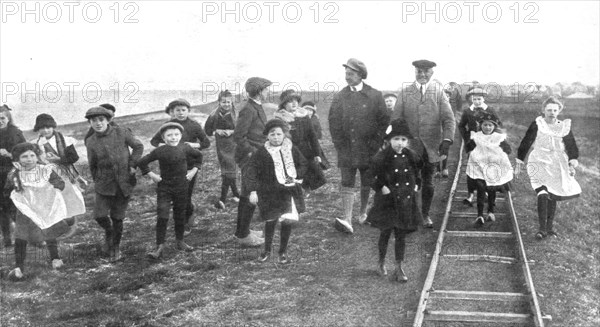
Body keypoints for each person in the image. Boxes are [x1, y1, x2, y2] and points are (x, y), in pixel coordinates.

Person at [392, 59, 456, 228]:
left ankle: (425, 214)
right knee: (408, 181)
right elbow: (396, 119)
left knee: (428, 182)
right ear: (415, 72)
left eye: (426, 71)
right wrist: (398, 141)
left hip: (431, 147)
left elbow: (449, 119)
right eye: (419, 71)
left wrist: (447, 140)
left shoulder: (439, 93)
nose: (422, 74)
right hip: (409, 147)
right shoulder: (405, 93)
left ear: (432, 73)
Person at [328, 58, 389, 233]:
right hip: (346, 149)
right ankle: (347, 218)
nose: (347, 77)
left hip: (368, 149)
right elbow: (333, 121)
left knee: (366, 181)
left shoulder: (375, 95)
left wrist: (376, 143)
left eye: (351, 74)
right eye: (346, 74)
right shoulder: (340, 96)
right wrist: (339, 143)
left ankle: (362, 213)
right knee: (347, 181)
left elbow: (383, 121)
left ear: (361, 75)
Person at [5, 143, 75, 280]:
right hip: (25, 210)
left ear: (37, 157)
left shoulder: (45, 170)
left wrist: (52, 190)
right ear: (17, 159)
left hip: (45, 207)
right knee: (21, 236)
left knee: (48, 230)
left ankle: (55, 258)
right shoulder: (15, 174)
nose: (29, 159)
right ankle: (19, 267)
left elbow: (59, 183)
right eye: (24, 156)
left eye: (32, 155)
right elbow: (8, 191)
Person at [515, 96, 581, 240]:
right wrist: (520, 159)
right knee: (542, 192)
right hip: (539, 160)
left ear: (559, 111)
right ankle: (542, 229)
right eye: (549, 110)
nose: (552, 112)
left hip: (557, 163)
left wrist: (572, 161)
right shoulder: (538, 124)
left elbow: (571, 146)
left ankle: (549, 228)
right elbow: (527, 140)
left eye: (555, 110)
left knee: (553, 194)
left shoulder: (563, 126)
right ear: (543, 110)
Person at [366, 119, 422, 282]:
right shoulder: (382, 157)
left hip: (405, 200)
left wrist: (417, 185)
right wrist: (381, 187)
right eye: (396, 139)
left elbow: (418, 173)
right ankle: (381, 262)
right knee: (385, 232)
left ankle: (399, 266)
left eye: (403, 139)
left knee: (401, 234)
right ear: (389, 140)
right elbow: (370, 176)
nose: (400, 143)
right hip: (388, 201)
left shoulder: (411, 156)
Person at [85, 106, 143, 261]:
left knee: (118, 217)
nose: (98, 123)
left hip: (124, 182)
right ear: (90, 123)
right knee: (99, 215)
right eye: (93, 121)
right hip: (104, 184)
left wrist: (132, 165)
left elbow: (138, 146)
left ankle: (115, 247)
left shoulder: (122, 132)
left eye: (101, 120)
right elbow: (93, 164)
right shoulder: (90, 141)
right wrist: (97, 179)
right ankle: (109, 232)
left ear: (108, 120)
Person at [137, 122, 203, 259]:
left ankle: (180, 241)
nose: (173, 138)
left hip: (182, 186)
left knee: (180, 214)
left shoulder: (185, 147)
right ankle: (159, 246)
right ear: (163, 137)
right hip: (165, 188)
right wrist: (152, 175)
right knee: (163, 215)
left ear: (181, 135)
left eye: (176, 134)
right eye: (169, 135)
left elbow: (199, 156)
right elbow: (142, 162)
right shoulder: (160, 151)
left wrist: (193, 171)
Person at [246, 119, 307, 264]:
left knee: (286, 220)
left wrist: (296, 175)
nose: (276, 137)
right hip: (269, 192)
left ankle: (283, 252)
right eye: (272, 134)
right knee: (271, 220)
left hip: (288, 191)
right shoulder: (262, 152)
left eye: (279, 134)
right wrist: (253, 191)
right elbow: (251, 171)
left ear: (284, 135)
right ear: (267, 136)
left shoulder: (291, 148)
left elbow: (303, 163)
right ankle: (266, 250)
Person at [150, 99, 210, 233]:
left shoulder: (194, 125)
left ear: (189, 111)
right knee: (175, 196)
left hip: (189, 165)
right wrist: (165, 146)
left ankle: (186, 220)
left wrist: (195, 145)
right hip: (171, 167)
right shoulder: (167, 126)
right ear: (172, 112)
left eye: (184, 110)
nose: (181, 113)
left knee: (185, 195)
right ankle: (184, 215)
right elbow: (154, 141)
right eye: (177, 110)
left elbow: (206, 142)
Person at [232, 77, 273, 247]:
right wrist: (252, 153)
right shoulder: (248, 109)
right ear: (258, 91)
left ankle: (243, 231)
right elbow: (239, 136)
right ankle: (243, 236)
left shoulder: (255, 106)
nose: (268, 92)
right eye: (266, 89)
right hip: (250, 158)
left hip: (255, 156)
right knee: (249, 195)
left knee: (247, 194)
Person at [33, 114, 86, 228]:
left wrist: (59, 159)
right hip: (50, 175)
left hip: (66, 172)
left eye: (48, 127)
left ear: (53, 126)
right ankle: (63, 223)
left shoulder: (65, 140)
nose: (46, 130)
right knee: (56, 198)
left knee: (70, 196)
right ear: (38, 129)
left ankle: (71, 222)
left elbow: (73, 158)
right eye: (42, 128)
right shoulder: (37, 144)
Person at [465, 112, 513, 225]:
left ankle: (491, 211)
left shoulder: (499, 138)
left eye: (490, 125)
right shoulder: (477, 137)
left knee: (491, 189)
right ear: (480, 125)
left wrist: (500, 153)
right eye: (485, 125)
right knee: (481, 188)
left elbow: (508, 150)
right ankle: (480, 215)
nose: (487, 127)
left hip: (493, 168)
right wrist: (475, 154)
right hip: (479, 168)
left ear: (494, 127)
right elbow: (468, 148)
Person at [275, 92, 325, 194]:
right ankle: (295, 191)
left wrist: (317, 153)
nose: (294, 104)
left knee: (309, 171)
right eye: (290, 101)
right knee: (293, 172)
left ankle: (306, 189)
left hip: (305, 149)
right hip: (289, 150)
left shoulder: (303, 115)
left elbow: (312, 136)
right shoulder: (280, 118)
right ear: (284, 104)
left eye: (296, 101)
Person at [458, 87, 499, 205]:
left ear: (483, 99)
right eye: (474, 99)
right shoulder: (468, 111)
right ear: (471, 99)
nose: (477, 101)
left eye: (479, 99)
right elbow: (461, 125)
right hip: (473, 143)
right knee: (472, 168)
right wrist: (466, 138)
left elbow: (498, 125)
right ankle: (470, 194)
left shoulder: (490, 110)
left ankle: (485, 191)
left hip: (487, 143)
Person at [205, 90, 240, 209]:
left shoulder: (236, 114)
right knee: (227, 169)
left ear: (232, 102)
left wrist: (232, 131)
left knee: (230, 169)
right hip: (221, 145)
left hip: (233, 144)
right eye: (223, 102)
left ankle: (223, 199)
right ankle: (235, 195)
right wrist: (217, 131)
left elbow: (242, 130)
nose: (226, 104)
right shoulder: (214, 114)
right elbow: (207, 130)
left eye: (228, 102)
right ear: (219, 102)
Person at [0, 104, 26, 247]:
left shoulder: (15, 132)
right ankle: (7, 239)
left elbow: (26, 152)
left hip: (13, 173)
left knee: (15, 205)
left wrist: (9, 154)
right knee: (1, 208)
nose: (0, 121)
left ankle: (25, 236)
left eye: (2, 118)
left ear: (8, 118)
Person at [302, 101, 330, 170]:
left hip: (313, 142)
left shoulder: (314, 120)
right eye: (307, 110)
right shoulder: (301, 120)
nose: (309, 112)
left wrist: (316, 137)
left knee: (316, 155)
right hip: (304, 143)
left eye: (311, 110)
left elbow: (318, 131)